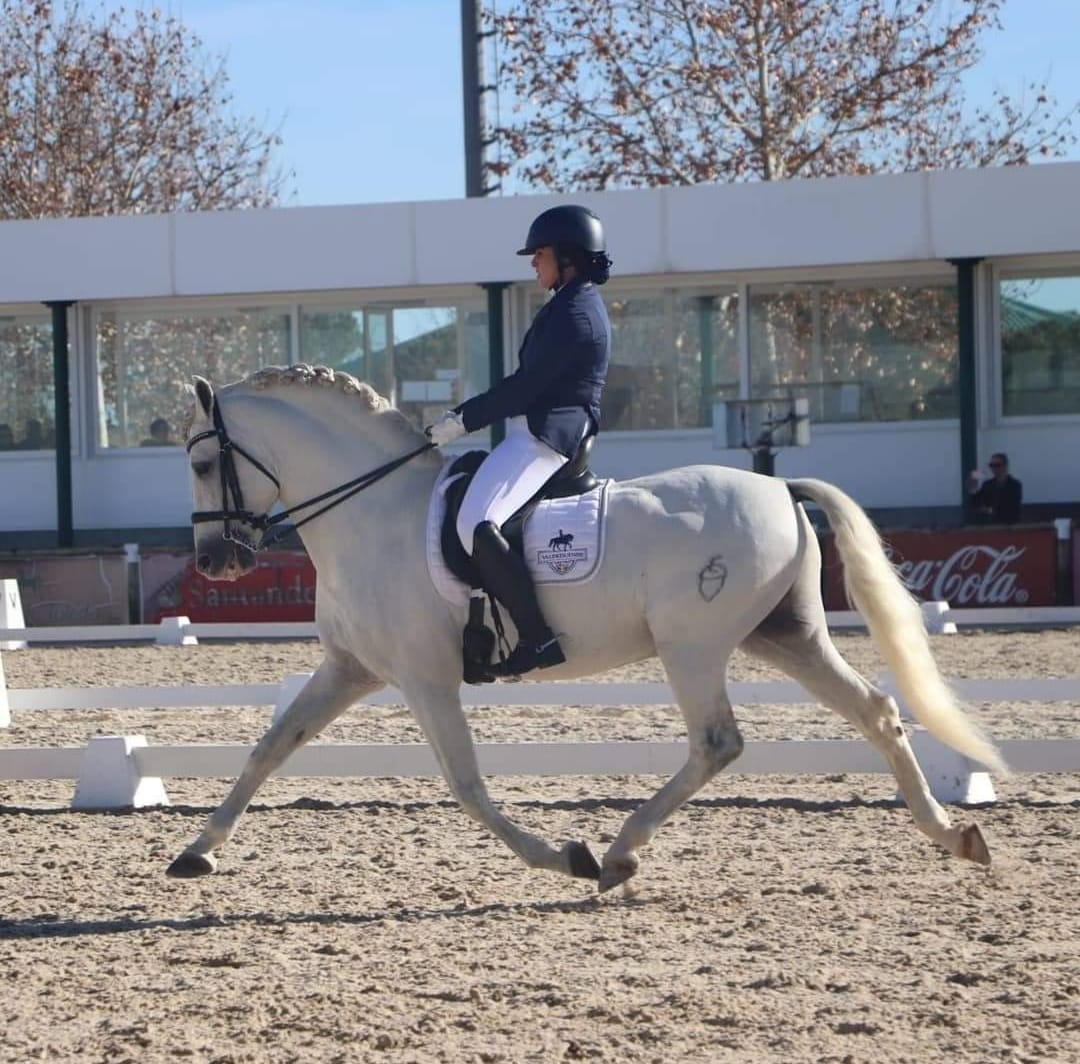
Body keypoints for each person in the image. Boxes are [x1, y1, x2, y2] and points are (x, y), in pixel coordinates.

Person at [425, 204, 613, 676]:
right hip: (534, 430)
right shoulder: (567, 304)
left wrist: (461, 419)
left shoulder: (577, 314)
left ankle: (537, 637)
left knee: (478, 524)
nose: (533, 262)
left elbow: (526, 387)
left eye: (541, 253)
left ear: (567, 257)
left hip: (551, 436)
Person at [968, 452, 1022, 524]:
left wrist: (988, 510)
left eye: (997, 465)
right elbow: (976, 505)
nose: (994, 468)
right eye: (992, 465)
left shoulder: (1015, 485)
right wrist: (973, 489)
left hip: (1010, 527)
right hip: (991, 526)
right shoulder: (987, 485)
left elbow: (1011, 507)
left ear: (1005, 466)